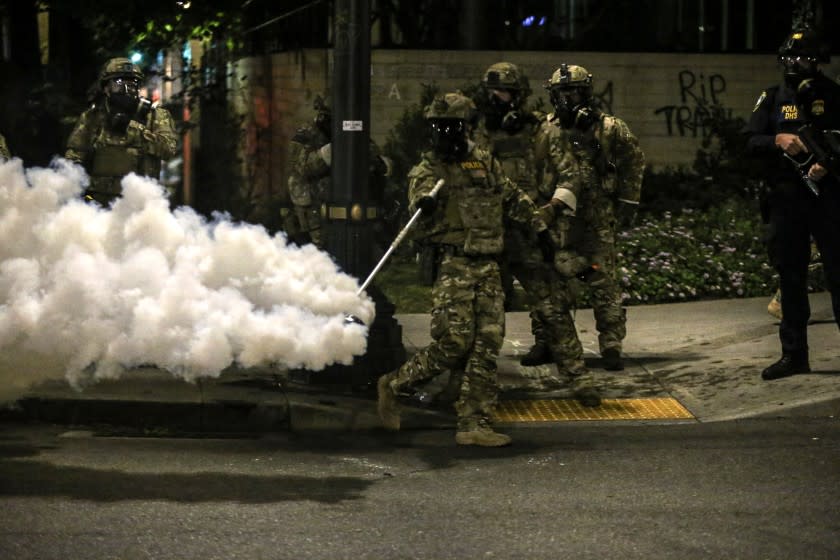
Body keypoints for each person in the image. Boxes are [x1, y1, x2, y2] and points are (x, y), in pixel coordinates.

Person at [376, 91, 553, 447]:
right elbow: (416, 206)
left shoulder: (485, 163)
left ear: (467, 127)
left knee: (487, 342)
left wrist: (539, 227)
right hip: (453, 263)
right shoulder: (429, 170)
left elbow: (510, 195)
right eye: (439, 126)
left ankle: (474, 422)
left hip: (487, 263)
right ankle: (395, 383)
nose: (446, 132)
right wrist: (425, 202)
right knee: (456, 341)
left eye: (453, 125)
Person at [745, 28, 840, 380]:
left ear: (817, 62)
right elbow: (749, 141)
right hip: (786, 199)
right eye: (788, 58)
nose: (793, 65)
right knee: (791, 277)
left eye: (801, 59)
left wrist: (828, 163)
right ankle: (794, 355)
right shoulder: (772, 98)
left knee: (838, 273)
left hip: (828, 198)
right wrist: (778, 140)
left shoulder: (833, 95)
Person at [540, 64, 645, 373]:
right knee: (552, 281)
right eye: (561, 93)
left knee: (602, 279)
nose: (567, 99)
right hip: (559, 221)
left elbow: (634, 160)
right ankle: (547, 340)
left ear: (586, 94)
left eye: (573, 92)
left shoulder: (609, 127)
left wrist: (628, 200)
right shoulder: (546, 128)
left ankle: (611, 344)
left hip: (597, 220)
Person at [473, 62, 554, 366]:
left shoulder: (535, 127)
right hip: (494, 218)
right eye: (492, 91)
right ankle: (482, 351)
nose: (496, 97)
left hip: (526, 216)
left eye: (503, 92)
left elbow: (552, 165)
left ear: (517, 95)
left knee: (539, 285)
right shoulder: (481, 126)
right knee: (491, 290)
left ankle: (546, 340)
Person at [64, 58, 177, 206]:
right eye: (119, 83)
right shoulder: (92, 117)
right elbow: (73, 159)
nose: (127, 89)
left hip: (142, 204)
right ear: (106, 88)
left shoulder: (156, 116)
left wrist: (134, 128)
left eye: (133, 83)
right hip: (98, 203)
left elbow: (168, 149)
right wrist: (84, 196)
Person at [286, 95, 388, 248]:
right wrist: (331, 151)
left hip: (347, 208)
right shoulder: (307, 134)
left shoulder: (352, 133)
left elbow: (372, 155)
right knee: (319, 254)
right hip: (315, 210)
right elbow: (301, 166)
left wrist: (377, 163)